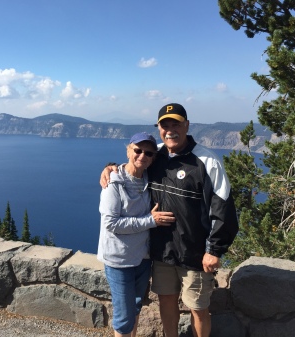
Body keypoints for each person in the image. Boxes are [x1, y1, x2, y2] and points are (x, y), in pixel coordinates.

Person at [100, 103, 239, 337]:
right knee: (166, 302)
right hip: (162, 251)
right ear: (159, 128)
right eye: (165, 125)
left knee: (198, 308)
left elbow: (223, 208)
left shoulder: (206, 160)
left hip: (195, 253)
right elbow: (133, 165)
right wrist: (109, 168)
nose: (170, 130)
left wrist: (214, 249)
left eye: (176, 124)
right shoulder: (157, 154)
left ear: (187, 125)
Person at [97, 132, 175, 337]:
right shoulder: (113, 182)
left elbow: (172, 141)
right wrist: (151, 221)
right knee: (123, 317)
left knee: (136, 307)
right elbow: (111, 223)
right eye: (137, 150)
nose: (142, 156)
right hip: (119, 260)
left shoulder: (149, 179)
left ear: (154, 157)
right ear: (128, 150)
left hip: (142, 257)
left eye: (149, 153)